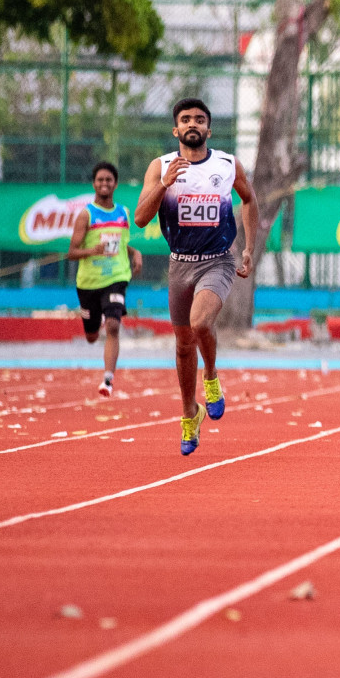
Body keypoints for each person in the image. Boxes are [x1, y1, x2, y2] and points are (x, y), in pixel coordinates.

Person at [134, 98, 258, 456]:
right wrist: (163, 185)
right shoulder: (160, 166)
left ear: (209, 129)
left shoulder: (227, 163)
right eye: (186, 119)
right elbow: (141, 219)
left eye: (200, 119)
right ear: (176, 130)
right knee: (182, 343)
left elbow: (249, 201)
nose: (193, 124)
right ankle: (190, 413)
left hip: (217, 260)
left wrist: (248, 247)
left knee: (201, 323)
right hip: (179, 264)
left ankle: (212, 376)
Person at [68, 161, 144, 397]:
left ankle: (108, 380)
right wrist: (92, 251)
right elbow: (71, 252)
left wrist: (135, 252)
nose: (104, 184)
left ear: (115, 184)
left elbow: (122, 243)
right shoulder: (86, 215)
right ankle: (95, 321)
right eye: (100, 180)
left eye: (108, 180)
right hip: (88, 282)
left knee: (113, 325)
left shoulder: (123, 213)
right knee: (91, 336)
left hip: (117, 276)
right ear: (94, 184)